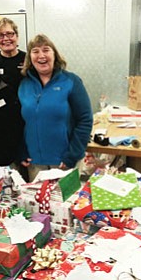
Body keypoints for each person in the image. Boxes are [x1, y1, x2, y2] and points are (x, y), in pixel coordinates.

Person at [18, 34, 93, 181]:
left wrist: (72, 156)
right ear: (30, 58)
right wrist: (22, 150)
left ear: (55, 54)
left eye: (46, 50)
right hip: (35, 163)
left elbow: (85, 120)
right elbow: (20, 122)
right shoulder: (24, 85)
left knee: (65, 203)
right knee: (38, 202)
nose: (41, 55)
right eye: (35, 51)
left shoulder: (71, 81)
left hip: (64, 162)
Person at [0, 17, 26, 95]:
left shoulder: (28, 59)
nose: (6, 39)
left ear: (16, 36)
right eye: (0, 35)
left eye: (9, 34)